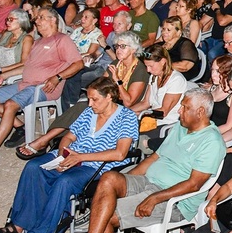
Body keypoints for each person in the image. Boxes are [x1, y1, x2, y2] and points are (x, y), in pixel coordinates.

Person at [0, 77, 139, 233]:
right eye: (89, 99)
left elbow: (120, 153)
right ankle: (19, 226)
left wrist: (79, 158)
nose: (90, 104)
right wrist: (64, 154)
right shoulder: (89, 112)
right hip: (73, 156)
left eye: (95, 99)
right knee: (34, 167)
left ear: (109, 97)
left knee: (64, 182)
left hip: (96, 164)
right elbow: (68, 137)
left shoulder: (126, 117)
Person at [69, 88, 225, 233]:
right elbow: (155, 157)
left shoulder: (212, 142)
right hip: (148, 181)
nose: (179, 111)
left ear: (200, 112)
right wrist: (127, 181)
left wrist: (155, 198)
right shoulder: (181, 127)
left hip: (175, 201)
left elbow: (194, 184)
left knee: (107, 214)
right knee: (109, 178)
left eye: (184, 107)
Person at [0, 9, 84, 169]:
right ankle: (20, 127)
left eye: (41, 17)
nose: (37, 20)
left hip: (43, 87)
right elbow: (26, 67)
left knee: (10, 105)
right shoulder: (38, 42)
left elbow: (78, 63)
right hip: (26, 83)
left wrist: (58, 77)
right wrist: (3, 76)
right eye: (37, 17)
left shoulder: (62, 40)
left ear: (52, 21)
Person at [18, 32, 148, 158]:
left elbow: (129, 102)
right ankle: (56, 141)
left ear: (133, 49)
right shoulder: (116, 64)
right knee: (84, 106)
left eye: (123, 46)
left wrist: (117, 80)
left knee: (83, 108)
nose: (118, 49)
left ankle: (45, 140)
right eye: (117, 46)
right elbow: (100, 86)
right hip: (108, 100)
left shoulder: (139, 69)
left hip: (123, 108)